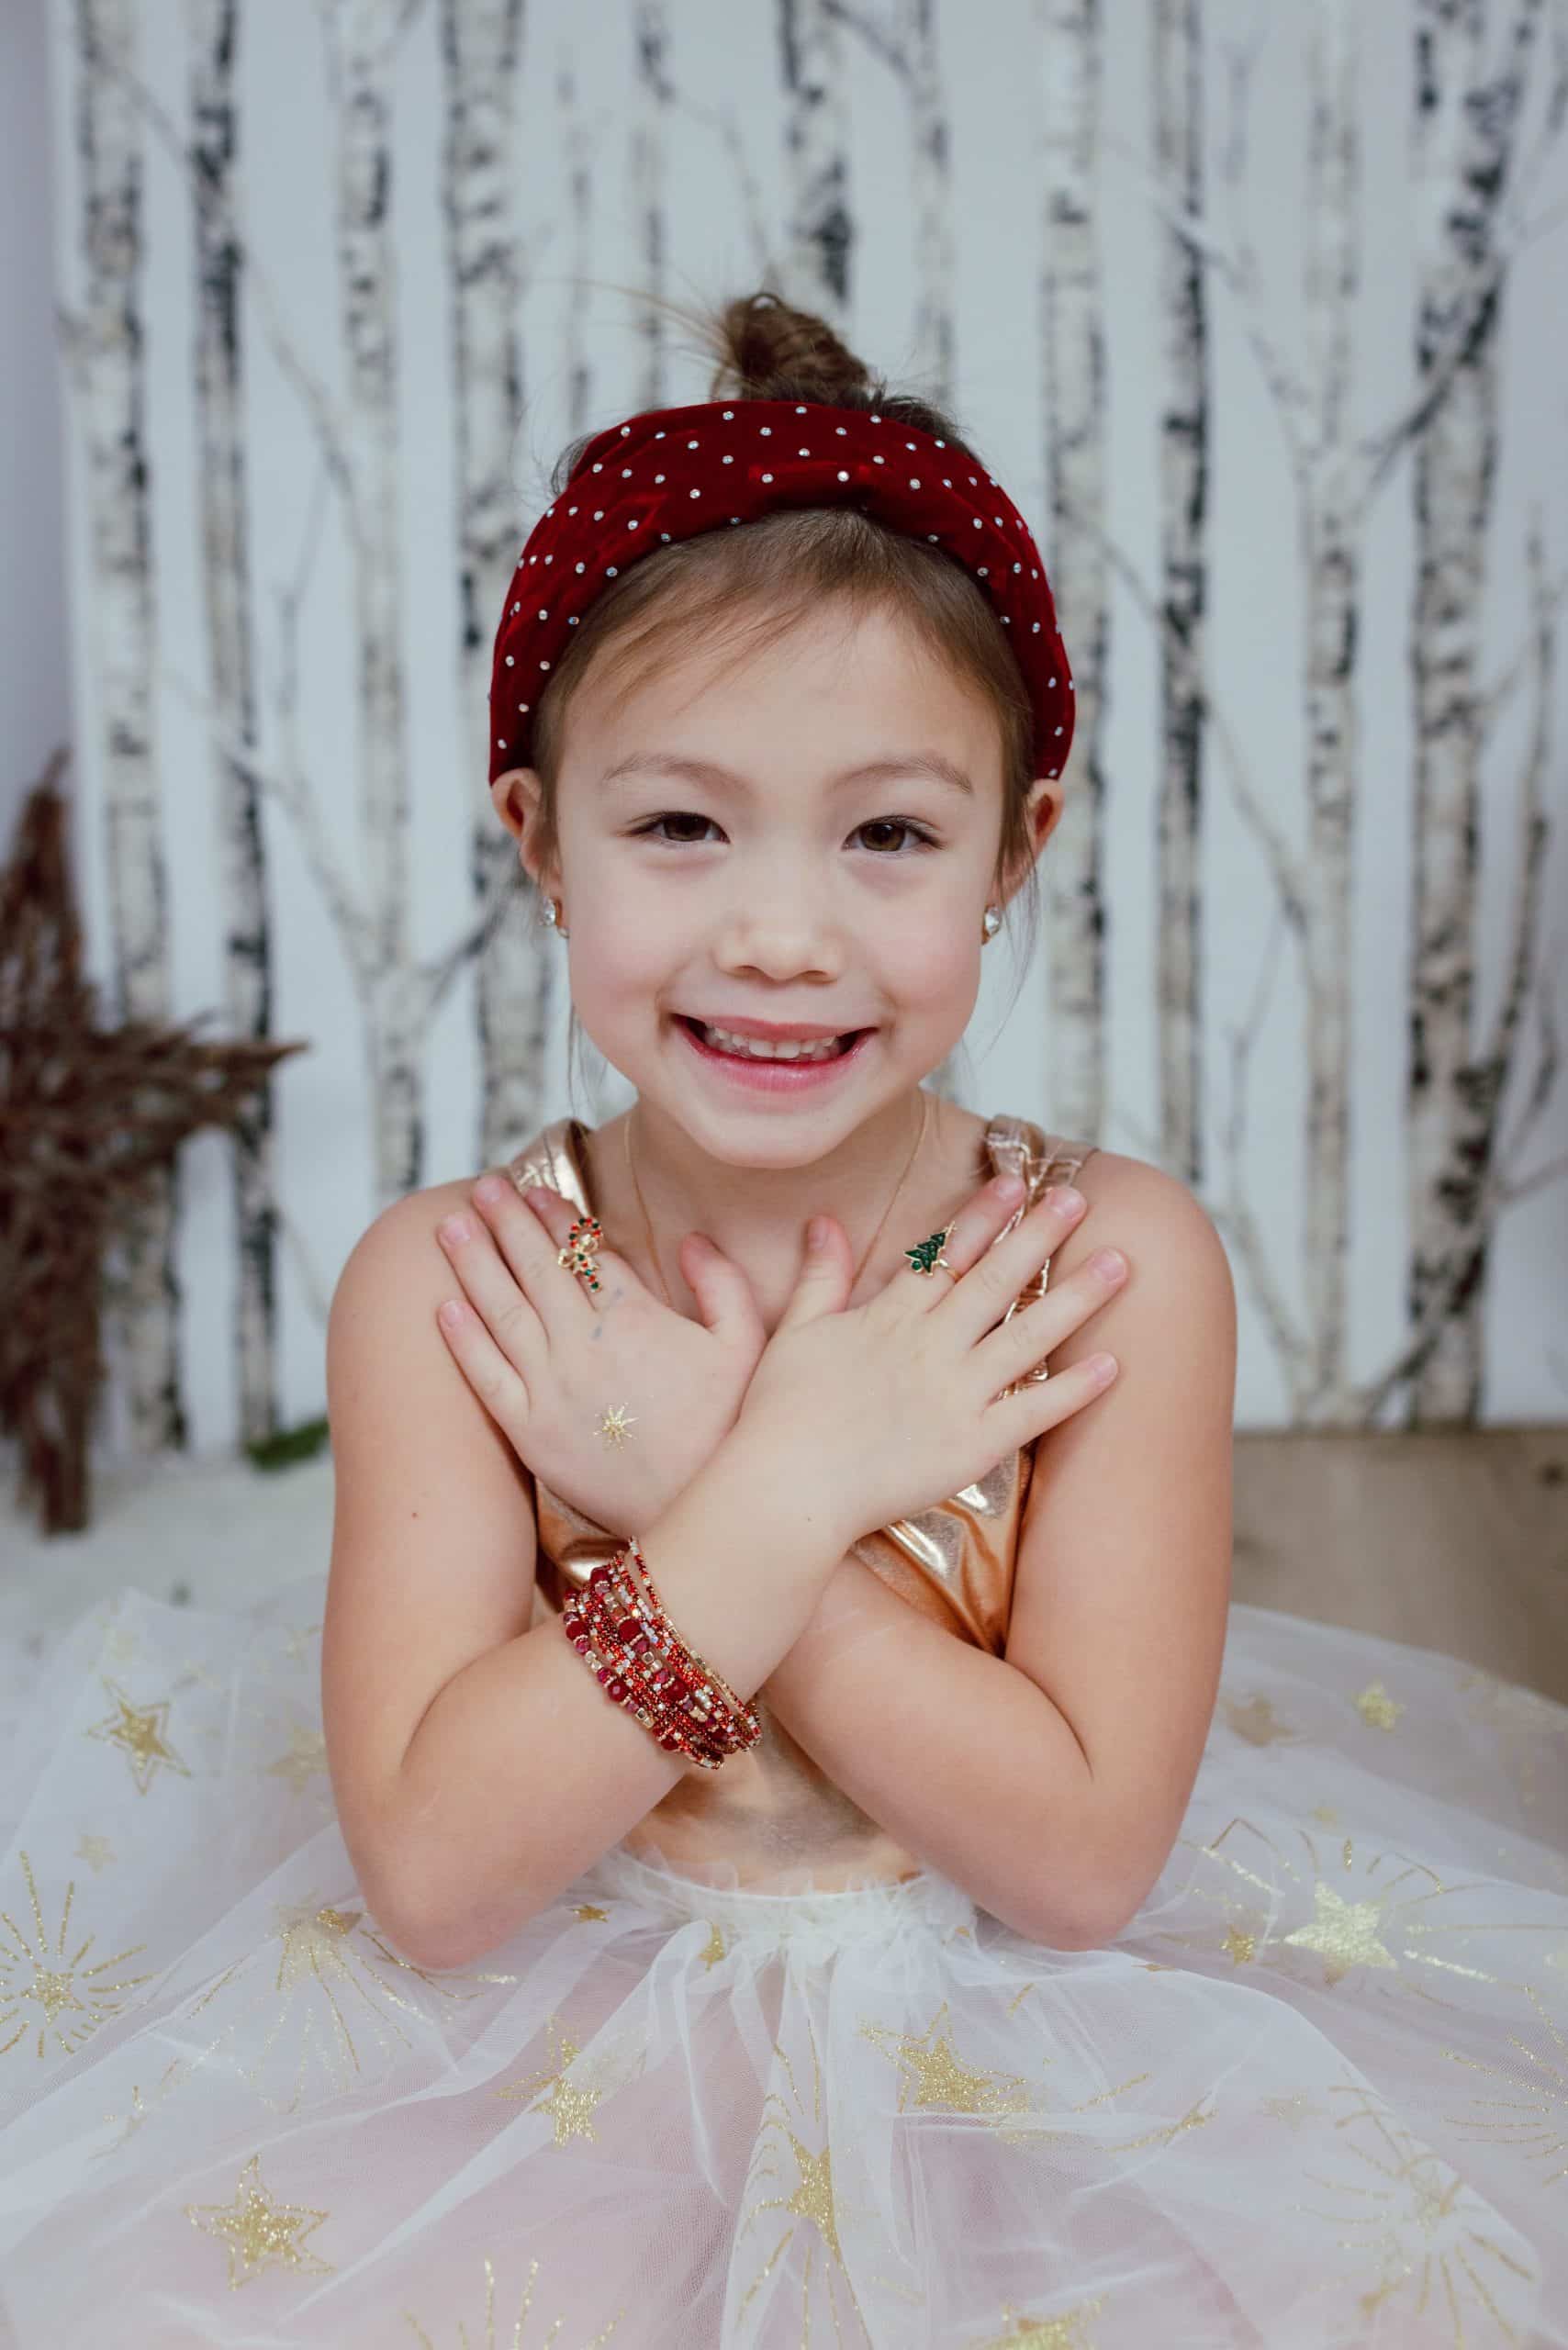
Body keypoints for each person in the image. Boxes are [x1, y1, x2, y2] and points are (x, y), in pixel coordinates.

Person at [0, 291, 1563, 2350]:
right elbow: (446, 1882)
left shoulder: (1101, 1262)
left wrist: (718, 1483)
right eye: (678, 824)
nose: (777, 933)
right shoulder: (458, 1286)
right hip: (554, 2042)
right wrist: (775, 1492)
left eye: (888, 834)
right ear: (538, 837)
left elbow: (1076, 1864)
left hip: (1017, 2043)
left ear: (1017, 846)